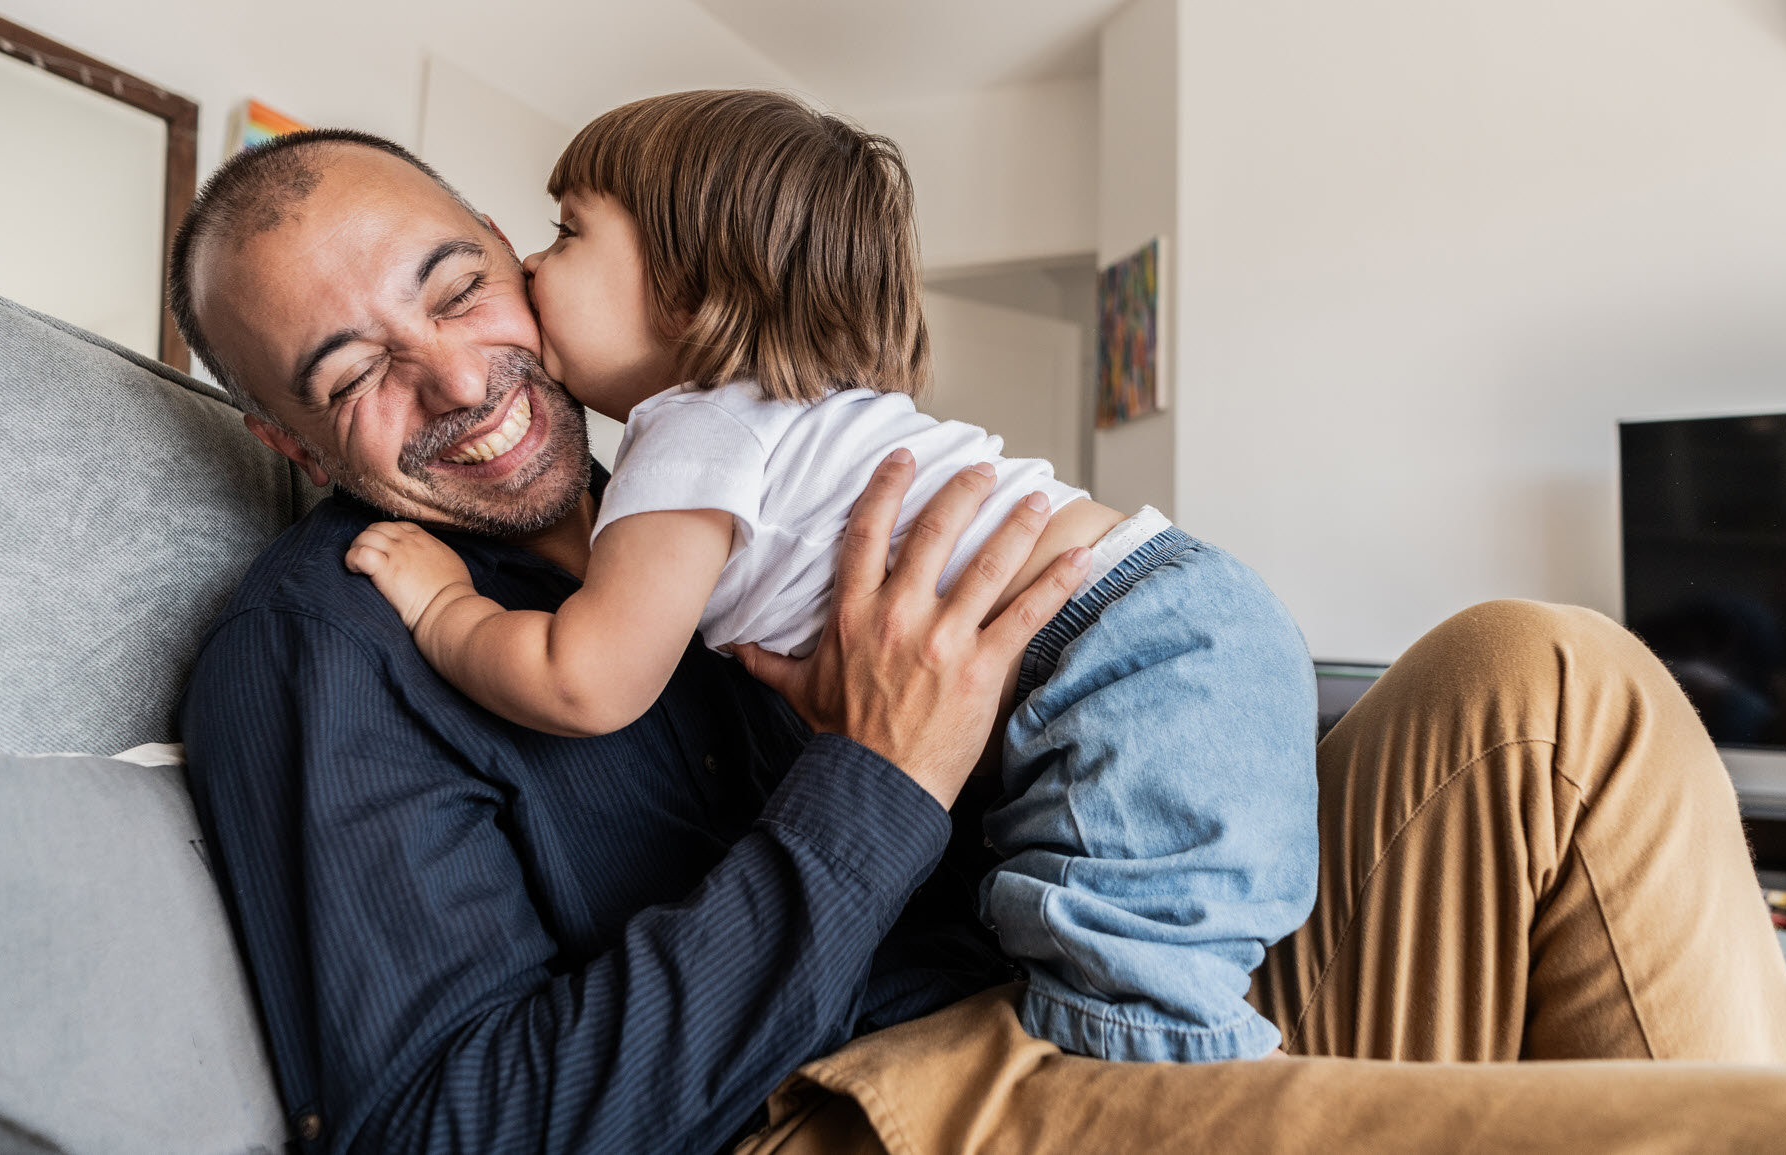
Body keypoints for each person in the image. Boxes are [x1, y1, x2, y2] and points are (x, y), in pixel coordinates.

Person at [172, 128, 1786, 1154]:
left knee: (1547, 684)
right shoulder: (328, 648)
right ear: (293, 442)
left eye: (460, 287)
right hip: (864, 1100)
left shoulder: (698, 483)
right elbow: (446, 1135)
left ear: (517, 260)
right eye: (351, 377)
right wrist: (873, 781)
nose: (453, 383)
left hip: (1078, 959)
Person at [338, 89, 1317, 1066]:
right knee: (1183, 979)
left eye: (568, 230)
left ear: (687, 287)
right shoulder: (793, 415)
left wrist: (443, 606)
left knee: (1127, 1029)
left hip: (1103, 666)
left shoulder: (689, 433)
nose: (535, 264)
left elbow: (584, 679)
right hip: (1183, 614)